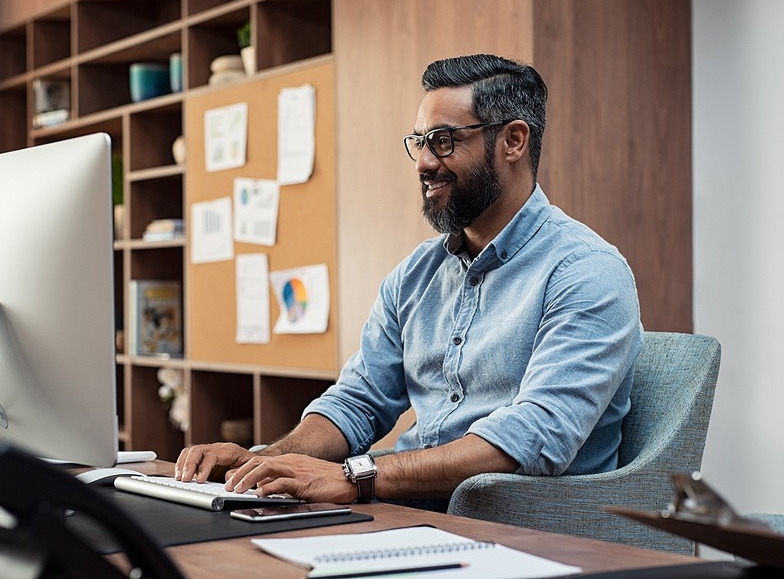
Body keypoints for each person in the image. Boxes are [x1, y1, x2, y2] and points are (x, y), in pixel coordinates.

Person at [176, 53, 643, 511]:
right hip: (407, 511)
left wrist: (356, 478)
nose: (422, 162)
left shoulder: (587, 271)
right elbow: (359, 400)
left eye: (442, 141)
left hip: (523, 533)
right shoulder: (415, 275)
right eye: (419, 142)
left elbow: (534, 436)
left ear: (513, 141)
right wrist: (268, 462)